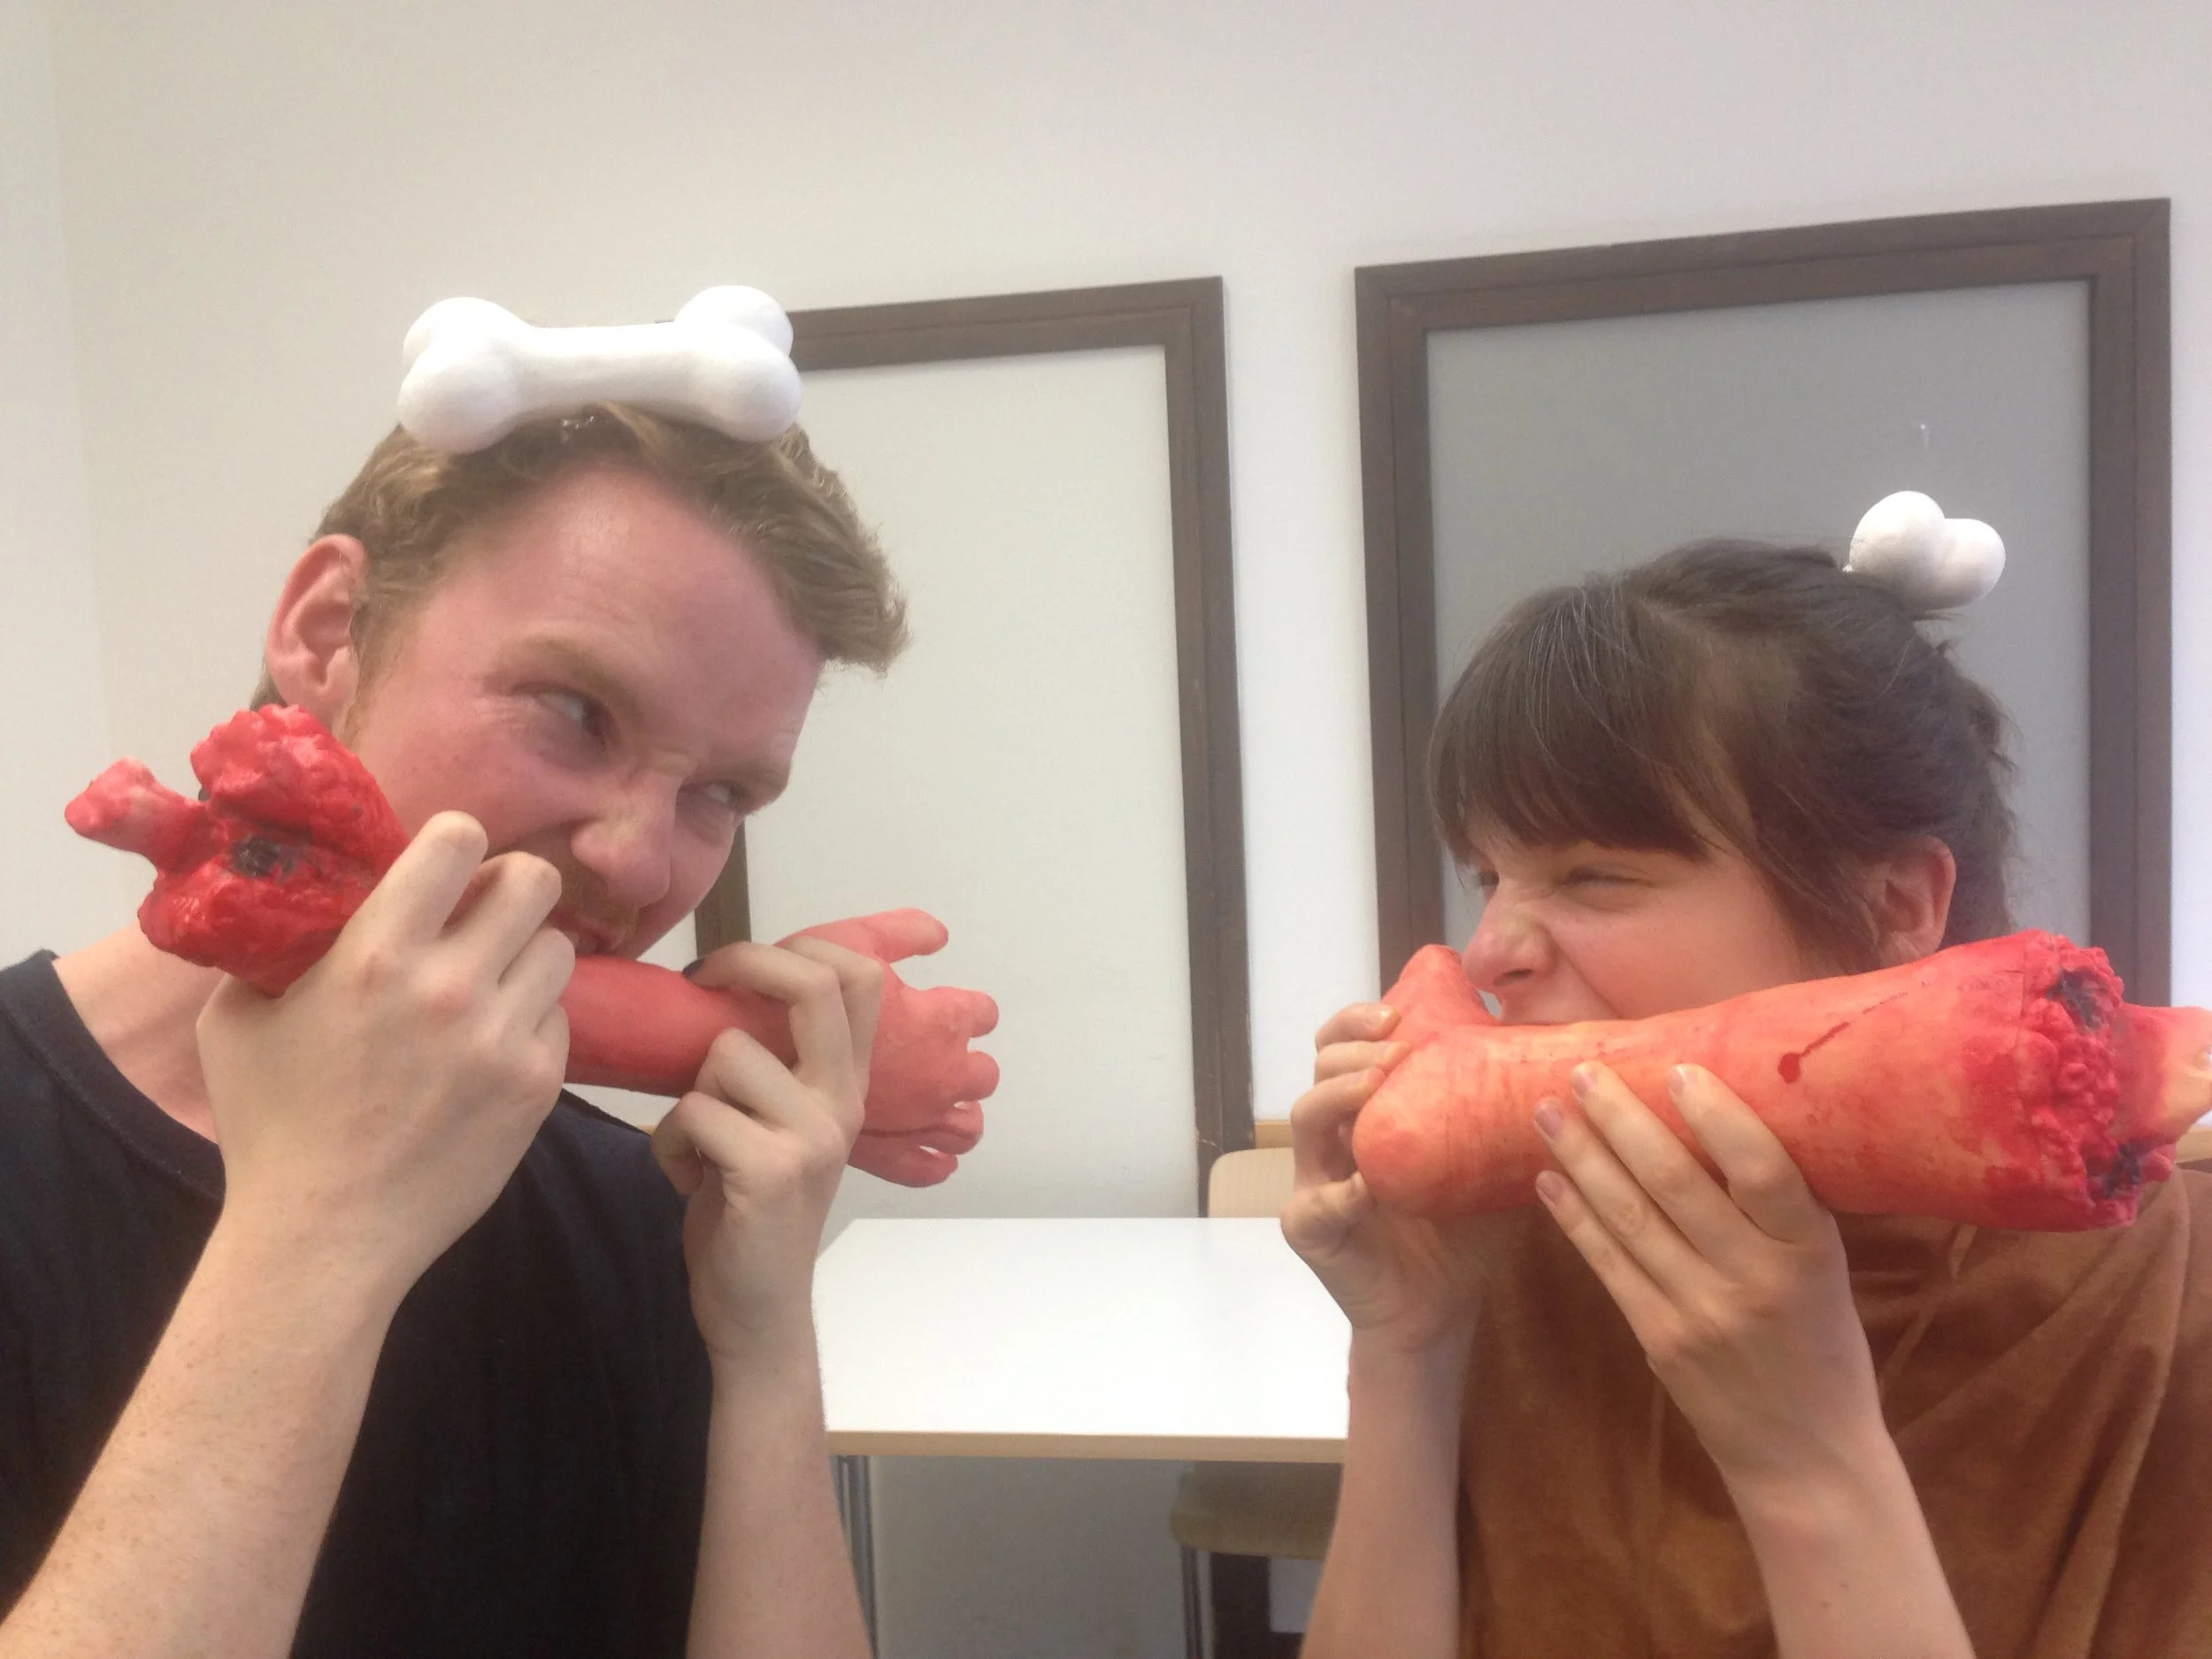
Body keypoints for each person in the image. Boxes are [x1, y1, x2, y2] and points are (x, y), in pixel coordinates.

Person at [0, 401, 908, 1656]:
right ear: (330, 635)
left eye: (720, 793)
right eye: (578, 710)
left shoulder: (639, 1205)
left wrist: (762, 1355)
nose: (642, 866)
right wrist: (316, 1227)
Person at [1285, 540, 2212, 1657]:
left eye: (1593, 875)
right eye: (1489, 876)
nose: (1486, 953)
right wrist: (1407, 1352)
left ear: (1894, 904)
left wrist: (1808, 1456)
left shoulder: (2164, 1301)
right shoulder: (1520, 1240)